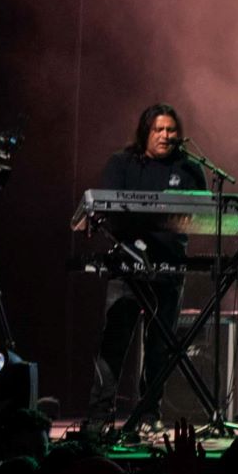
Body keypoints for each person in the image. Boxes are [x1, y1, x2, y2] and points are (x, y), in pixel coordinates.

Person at [87, 103, 207, 429]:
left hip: (170, 266)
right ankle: (99, 416)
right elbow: (105, 209)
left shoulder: (189, 168)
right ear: (145, 133)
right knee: (116, 340)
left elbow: (203, 215)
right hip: (128, 264)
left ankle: (149, 415)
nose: (166, 136)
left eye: (171, 130)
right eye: (159, 130)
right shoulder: (122, 163)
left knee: (160, 346)